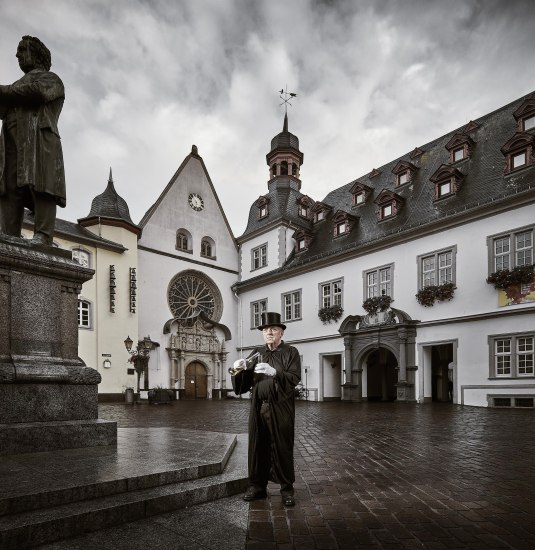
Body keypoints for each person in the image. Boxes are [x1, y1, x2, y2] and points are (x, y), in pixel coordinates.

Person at [0, 36, 66, 246]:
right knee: (10, 189)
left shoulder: (51, 79)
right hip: (11, 143)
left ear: (36, 54)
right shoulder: (16, 87)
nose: (17, 55)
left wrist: (5, 91)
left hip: (40, 142)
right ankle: (9, 235)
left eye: (22, 50)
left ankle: (44, 235)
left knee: (42, 186)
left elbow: (37, 92)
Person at [231, 311, 301, 507]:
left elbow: (294, 378)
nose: (269, 332)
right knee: (257, 446)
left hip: (280, 407)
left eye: (273, 329)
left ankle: (287, 489)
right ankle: (257, 486)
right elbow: (242, 386)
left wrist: (275, 372)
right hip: (258, 407)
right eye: (265, 329)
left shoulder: (290, 352)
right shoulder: (256, 353)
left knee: (282, 447)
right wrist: (239, 370)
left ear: (281, 333)